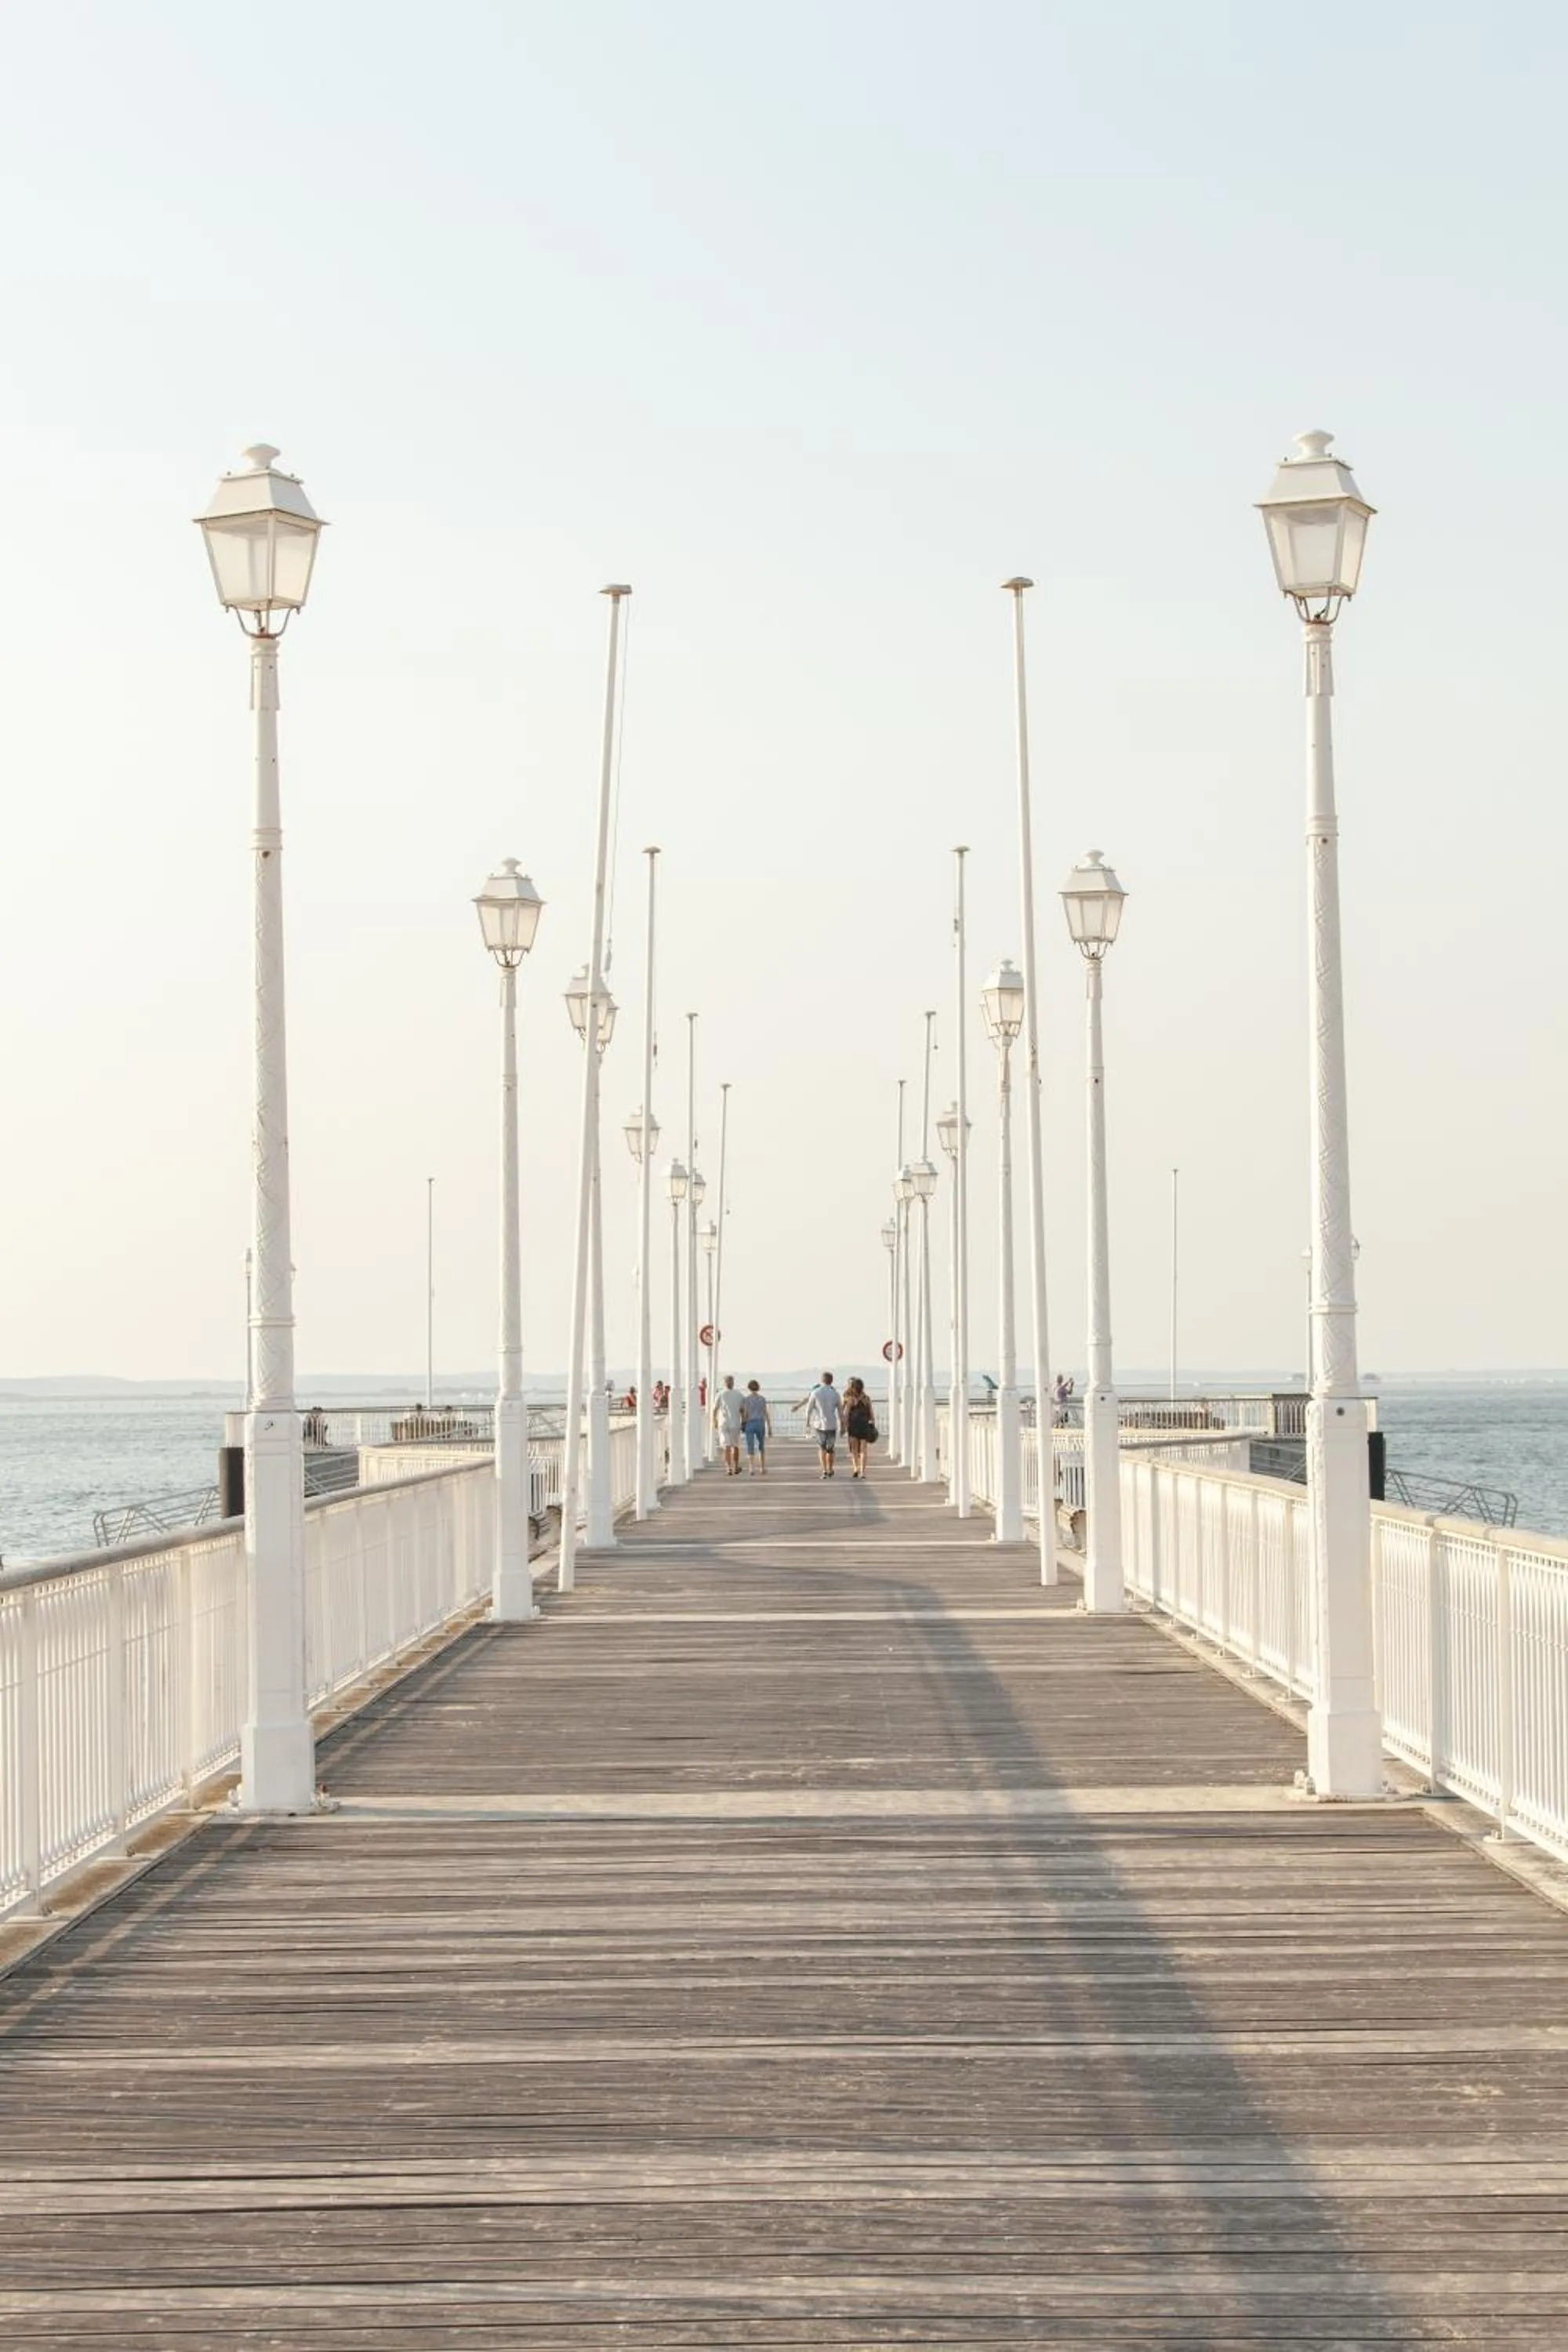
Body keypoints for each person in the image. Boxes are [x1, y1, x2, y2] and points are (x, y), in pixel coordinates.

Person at [805, 1371, 843, 1477]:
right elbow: (840, 1411)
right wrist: (843, 1425)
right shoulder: (835, 1394)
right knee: (830, 1449)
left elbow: (809, 1409)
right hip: (832, 1424)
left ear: (822, 1380)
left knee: (822, 1448)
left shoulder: (815, 1392)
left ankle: (824, 1470)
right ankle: (831, 1469)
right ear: (832, 1381)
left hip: (819, 1425)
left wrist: (807, 1422)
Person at [843, 1377, 877, 1479]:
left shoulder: (850, 1399)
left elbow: (846, 1415)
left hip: (853, 1427)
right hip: (864, 1426)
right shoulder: (867, 1399)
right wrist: (873, 1426)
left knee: (854, 1450)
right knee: (863, 1450)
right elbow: (871, 1414)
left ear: (853, 1388)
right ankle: (863, 1472)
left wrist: (844, 1426)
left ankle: (856, 1469)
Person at [713, 1374, 746, 1476]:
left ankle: (728, 1468)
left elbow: (715, 1409)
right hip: (735, 1423)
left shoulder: (720, 1394)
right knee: (735, 1446)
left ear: (724, 1383)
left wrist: (715, 1421)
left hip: (724, 1423)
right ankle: (735, 1467)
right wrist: (744, 1422)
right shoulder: (739, 1395)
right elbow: (743, 1411)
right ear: (733, 1383)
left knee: (726, 1446)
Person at [740, 1379, 771, 1475]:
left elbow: (745, 1414)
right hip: (760, 1423)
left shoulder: (746, 1399)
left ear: (749, 1388)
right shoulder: (762, 1399)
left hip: (750, 1423)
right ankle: (762, 1468)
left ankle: (751, 1468)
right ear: (758, 1387)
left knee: (750, 1447)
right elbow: (766, 1413)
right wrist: (770, 1427)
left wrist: (743, 1423)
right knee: (761, 1446)